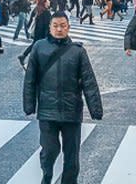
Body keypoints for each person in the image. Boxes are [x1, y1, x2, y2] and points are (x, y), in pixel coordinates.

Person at [23, 11, 103, 184]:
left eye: (63, 26)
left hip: (71, 111)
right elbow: (30, 78)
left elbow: (89, 81)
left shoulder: (78, 51)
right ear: (50, 27)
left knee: (72, 156)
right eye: (55, 25)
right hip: (47, 110)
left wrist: (95, 108)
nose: (59, 29)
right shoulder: (39, 47)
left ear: (68, 27)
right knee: (50, 149)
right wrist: (29, 105)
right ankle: (47, 174)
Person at [19, 0, 51, 68]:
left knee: (35, 45)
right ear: (44, 2)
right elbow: (47, 25)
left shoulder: (37, 9)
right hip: (42, 33)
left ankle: (24, 56)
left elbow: (31, 20)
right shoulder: (46, 12)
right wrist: (48, 35)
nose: (49, 1)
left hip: (36, 31)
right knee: (38, 48)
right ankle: (31, 63)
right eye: (48, 0)